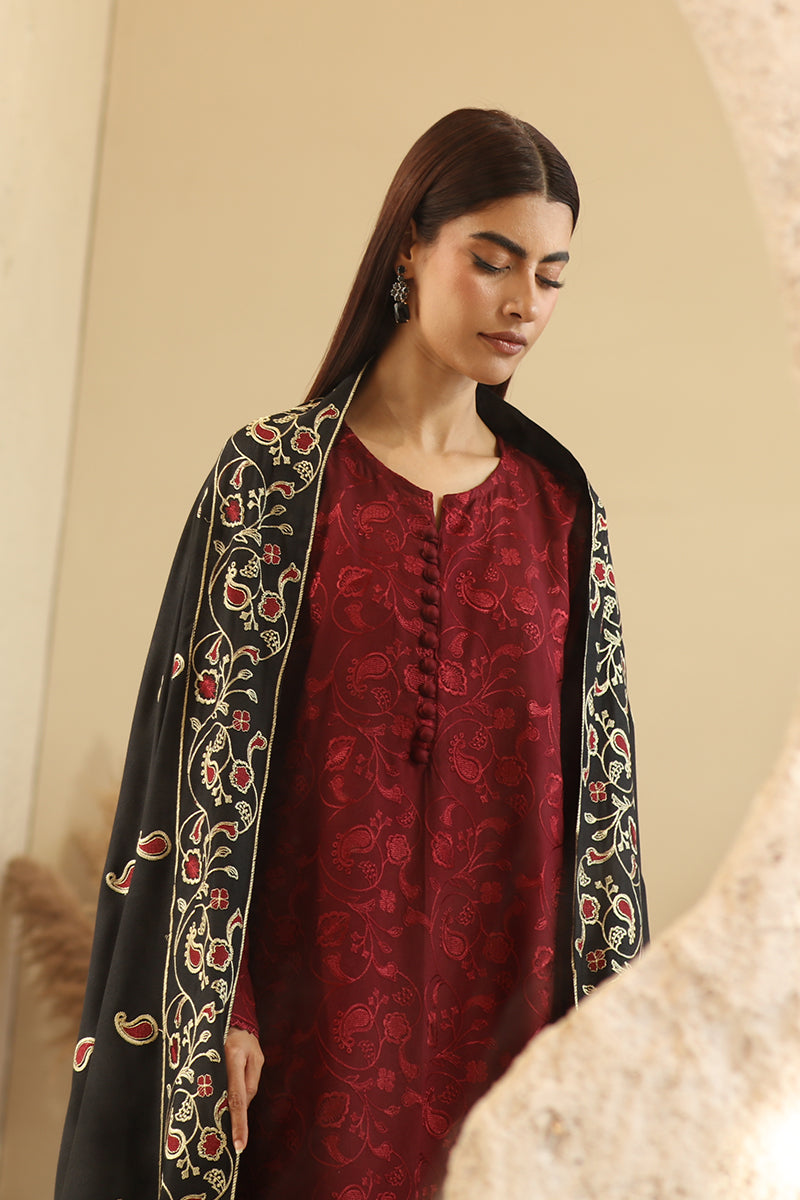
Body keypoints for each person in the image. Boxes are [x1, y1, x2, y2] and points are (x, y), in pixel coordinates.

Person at [55, 108, 648, 1200]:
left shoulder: (561, 511)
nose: (524, 302)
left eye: (551, 274)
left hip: (507, 1042)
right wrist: (220, 1008)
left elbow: (599, 819)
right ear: (408, 250)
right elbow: (198, 770)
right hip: (302, 1037)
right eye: (492, 260)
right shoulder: (273, 481)